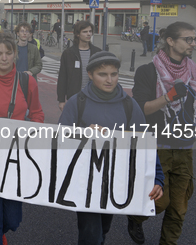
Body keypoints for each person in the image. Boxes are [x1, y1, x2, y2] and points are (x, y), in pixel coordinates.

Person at [127, 22, 196, 245]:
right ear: (171, 41)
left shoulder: (195, 73)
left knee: (179, 208)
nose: (193, 43)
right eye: (188, 39)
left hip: (184, 148)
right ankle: (135, 217)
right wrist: (168, 97)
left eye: (194, 39)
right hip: (156, 148)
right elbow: (141, 109)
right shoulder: (147, 71)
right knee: (159, 203)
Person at [59, 51, 164, 245]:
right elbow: (59, 143)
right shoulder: (76, 102)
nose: (109, 80)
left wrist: (158, 176)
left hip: (115, 181)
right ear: (90, 75)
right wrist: (82, 134)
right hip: (84, 181)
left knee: (103, 229)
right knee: (91, 234)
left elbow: (145, 144)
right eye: (102, 74)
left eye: (113, 74)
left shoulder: (129, 105)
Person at [0, 32, 44, 245]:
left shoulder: (27, 82)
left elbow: (37, 113)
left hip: (17, 158)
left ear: (15, 55)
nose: (4, 58)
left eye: (8, 53)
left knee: (13, 218)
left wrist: (33, 133)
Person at [57, 20, 101, 111]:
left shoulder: (97, 52)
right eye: (85, 32)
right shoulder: (69, 53)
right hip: (75, 97)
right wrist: (61, 100)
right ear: (77, 34)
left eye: (90, 31)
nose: (88, 34)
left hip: (94, 96)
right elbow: (62, 77)